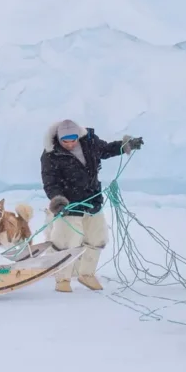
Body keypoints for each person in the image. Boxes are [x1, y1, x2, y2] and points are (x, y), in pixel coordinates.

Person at [40, 119, 144, 292]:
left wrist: (126, 145)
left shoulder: (90, 142)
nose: (69, 144)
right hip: (68, 204)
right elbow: (50, 182)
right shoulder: (51, 154)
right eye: (65, 141)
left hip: (92, 200)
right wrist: (57, 201)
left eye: (72, 140)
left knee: (97, 238)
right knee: (66, 242)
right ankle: (62, 279)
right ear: (59, 139)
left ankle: (86, 274)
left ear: (78, 136)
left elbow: (107, 149)